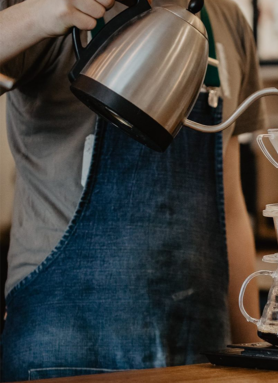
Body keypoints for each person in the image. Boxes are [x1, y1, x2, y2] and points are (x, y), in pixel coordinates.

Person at [0, 0, 264, 381]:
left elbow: (232, 207)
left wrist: (252, 353)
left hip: (198, 355)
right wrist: (39, 15)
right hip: (62, 352)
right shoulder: (37, 5)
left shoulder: (229, 21)